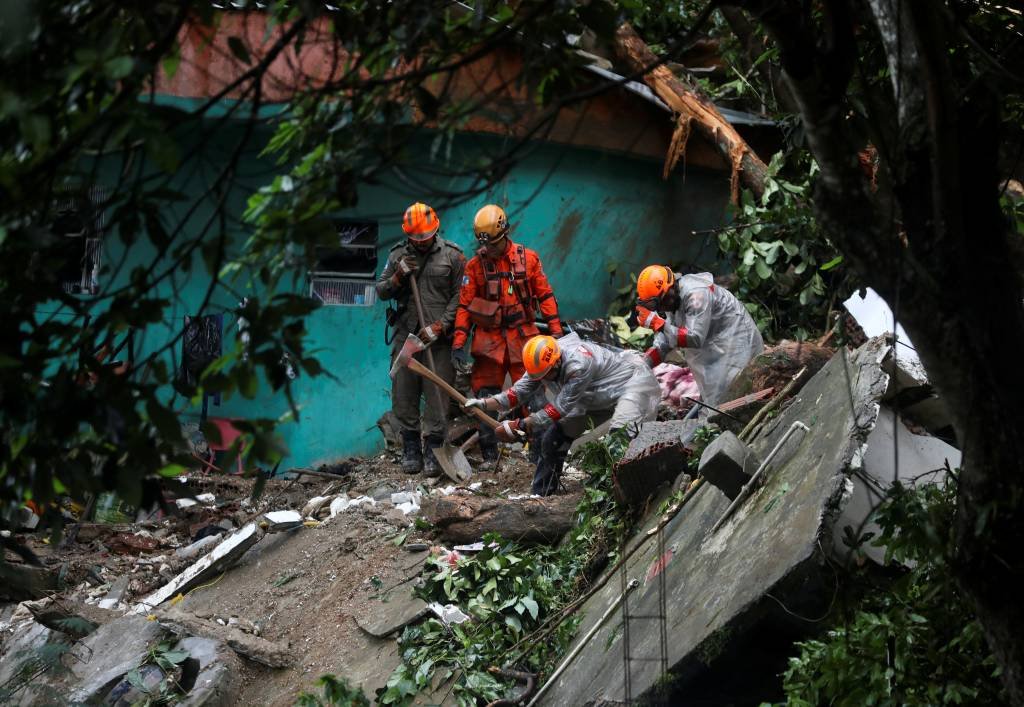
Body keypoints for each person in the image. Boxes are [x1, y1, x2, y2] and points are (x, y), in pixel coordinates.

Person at [464, 333, 660, 495]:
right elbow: (517, 392)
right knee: (553, 438)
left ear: (557, 363)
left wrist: (522, 425)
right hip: (594, 395)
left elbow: (559, 408)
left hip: (630, 386)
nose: (542, 379)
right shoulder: (539, 365)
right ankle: (541, 495)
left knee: (621, 439)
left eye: (545, 375)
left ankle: (631, 491)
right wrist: (483, 403)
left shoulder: (578, 365)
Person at [451, 204, 563, 470]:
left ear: (505, 234)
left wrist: (556, 333)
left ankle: (540, 452)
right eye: (485, 245)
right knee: (486, 397)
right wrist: (458, 343)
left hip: (523, 340)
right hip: (489, 342)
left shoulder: (528, 259)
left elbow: (545, 296)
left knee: (534, 397)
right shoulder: (474, 267)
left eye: (493, 243)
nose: (488, 249)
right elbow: (465, 307)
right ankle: (490, 457)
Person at [376, 202, 466, 475]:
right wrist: (398, 277)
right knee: (404, 396)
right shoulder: (396, 256)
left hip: (437, 340)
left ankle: (434, 452)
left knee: (437, 398)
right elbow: (381, 291)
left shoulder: (453, 256)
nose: (421, 243)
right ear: (407, 235)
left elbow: (461, 298)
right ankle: (411, 450)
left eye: (425, 238)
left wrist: (440, 326)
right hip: (407, 337)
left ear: (435, 230)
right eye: (416, 238)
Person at [635, 266, 763, 408]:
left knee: (738, 393)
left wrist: (658, 323)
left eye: (662, 302)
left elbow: (694, 337)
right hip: (714, 346)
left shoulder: (696, 294)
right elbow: (666, 339)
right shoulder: (673, 300)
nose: (662, 309)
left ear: (671, 287)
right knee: (717, 401)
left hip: (735, 340)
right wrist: (644, 364)